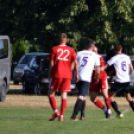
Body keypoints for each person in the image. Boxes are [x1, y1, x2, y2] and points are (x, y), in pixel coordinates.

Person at [48, 33, 79, 121]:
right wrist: (77, 74)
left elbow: (51, 63)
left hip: (57, 74)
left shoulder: (54, 49)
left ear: (58, 40)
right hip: (67, 75)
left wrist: (50, 74)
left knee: (50, 93)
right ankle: (61, 116)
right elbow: (76, 63)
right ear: (66, 41)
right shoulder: (72, 50)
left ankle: (56, 112)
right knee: (64, 95)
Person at [101, 43, 134, 118]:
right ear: (121, 48)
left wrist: (98, 69)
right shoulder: (127, 57)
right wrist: (128, 74)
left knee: (109, 96)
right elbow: (131, 68)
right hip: (126, 80)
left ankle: (119, 113)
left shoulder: (114, 58)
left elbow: (105, 67)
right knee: (129, 97)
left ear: (115, 50)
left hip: (119, 81)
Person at [70, 39, 100, 120]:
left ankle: (82, 115)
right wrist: (97, 78)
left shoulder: (79, 53)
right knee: (81, 97)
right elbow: (98, 70)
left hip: (77, 77)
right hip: (86, 78)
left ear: (86, 46)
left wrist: (70, 74)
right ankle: (73, 117)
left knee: (83, 96)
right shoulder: (95, 55)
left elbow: (72, 65)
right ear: (93, 47)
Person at [89, 47, 112, 119]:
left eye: (95, 51)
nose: (94, 52)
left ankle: (109, 111)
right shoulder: (89, 57)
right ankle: (105, 110)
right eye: (93, 51)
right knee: (92, 98)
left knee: (105, 94)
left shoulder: (100, 57)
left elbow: (101, 68)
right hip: (93, 78)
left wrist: (91, 68)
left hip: (102, 76)